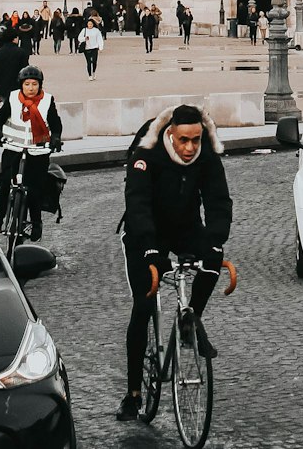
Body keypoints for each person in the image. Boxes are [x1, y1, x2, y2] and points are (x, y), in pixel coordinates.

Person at [117, 104, 233, 422]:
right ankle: (133, 395)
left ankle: (189, 319)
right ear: (170, 133)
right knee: (143, 305)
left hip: (185, 226)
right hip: (146, 230)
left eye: (195, 140)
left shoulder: (204, 150)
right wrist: (150, 249)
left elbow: (218, 200)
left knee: (214, 259)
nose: (189, 148)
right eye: (184, 140)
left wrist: (214, 239)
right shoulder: (148, 151)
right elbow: (137, 202)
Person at [0, 65, 63, 240]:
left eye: (34, 84)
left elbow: (55, 123)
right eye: (27, 84)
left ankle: (36, 222)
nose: (31, 88)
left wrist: (55, 138)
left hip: (38, 151)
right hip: (13, 148)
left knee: (35, 189)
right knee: (5, 183)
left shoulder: (47, 100)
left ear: (40, 85)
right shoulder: (13, 98)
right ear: (21, 85)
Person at [0, 25, 27, 123]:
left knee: (6, 111)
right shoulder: (21, 52)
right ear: (14, 39)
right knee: (16, 113)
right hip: (17, 88)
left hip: (2, 88)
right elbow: (24, 73)